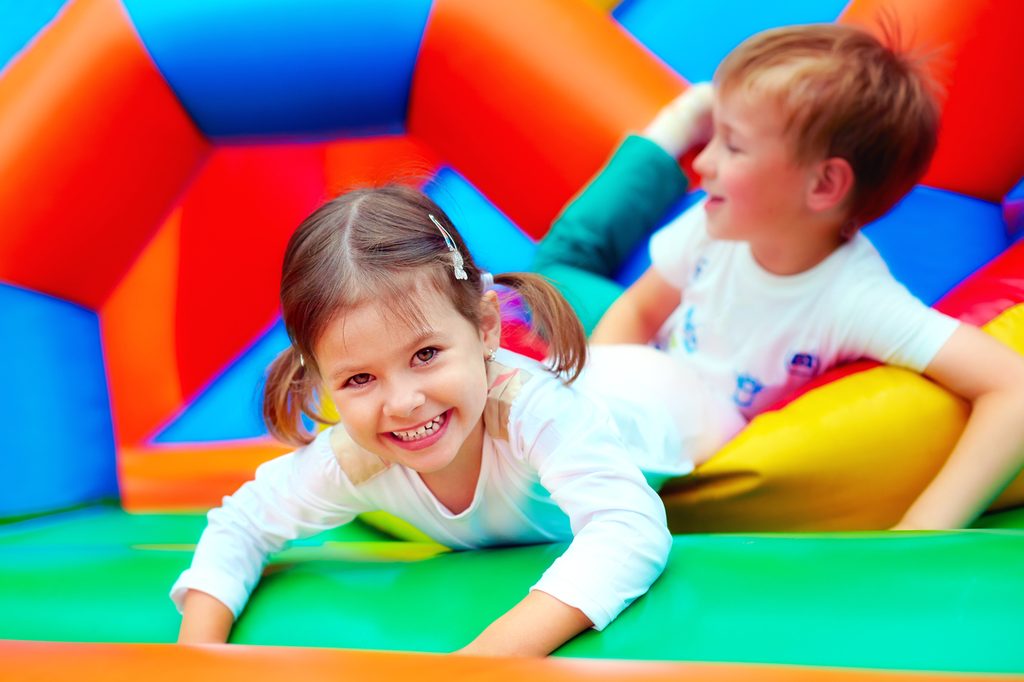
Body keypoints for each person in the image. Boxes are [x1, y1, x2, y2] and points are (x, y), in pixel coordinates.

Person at [171, 184, 705, 656]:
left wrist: (484, 659)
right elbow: (241, 525)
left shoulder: (529, 410)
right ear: (321, 380)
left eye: (425, 354)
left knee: (584, 274)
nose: (403, 403)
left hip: (666, 398)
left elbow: (628, 527)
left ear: (487, 325)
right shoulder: (357, 458)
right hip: (593, 380)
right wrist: (196, 660)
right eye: (359, 379)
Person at [534, 23, 1024, 530]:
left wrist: (922, 530)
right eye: (715, 139)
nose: (703, 163)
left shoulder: (854, 300)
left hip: (689, 418)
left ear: (825, 184)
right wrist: (594, 389)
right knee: (553, 271)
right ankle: (675, 128)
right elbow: (638, 310)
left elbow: (1014, 390)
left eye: (733, 146)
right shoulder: (716, 222)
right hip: (656, 365)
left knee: (555, 269)